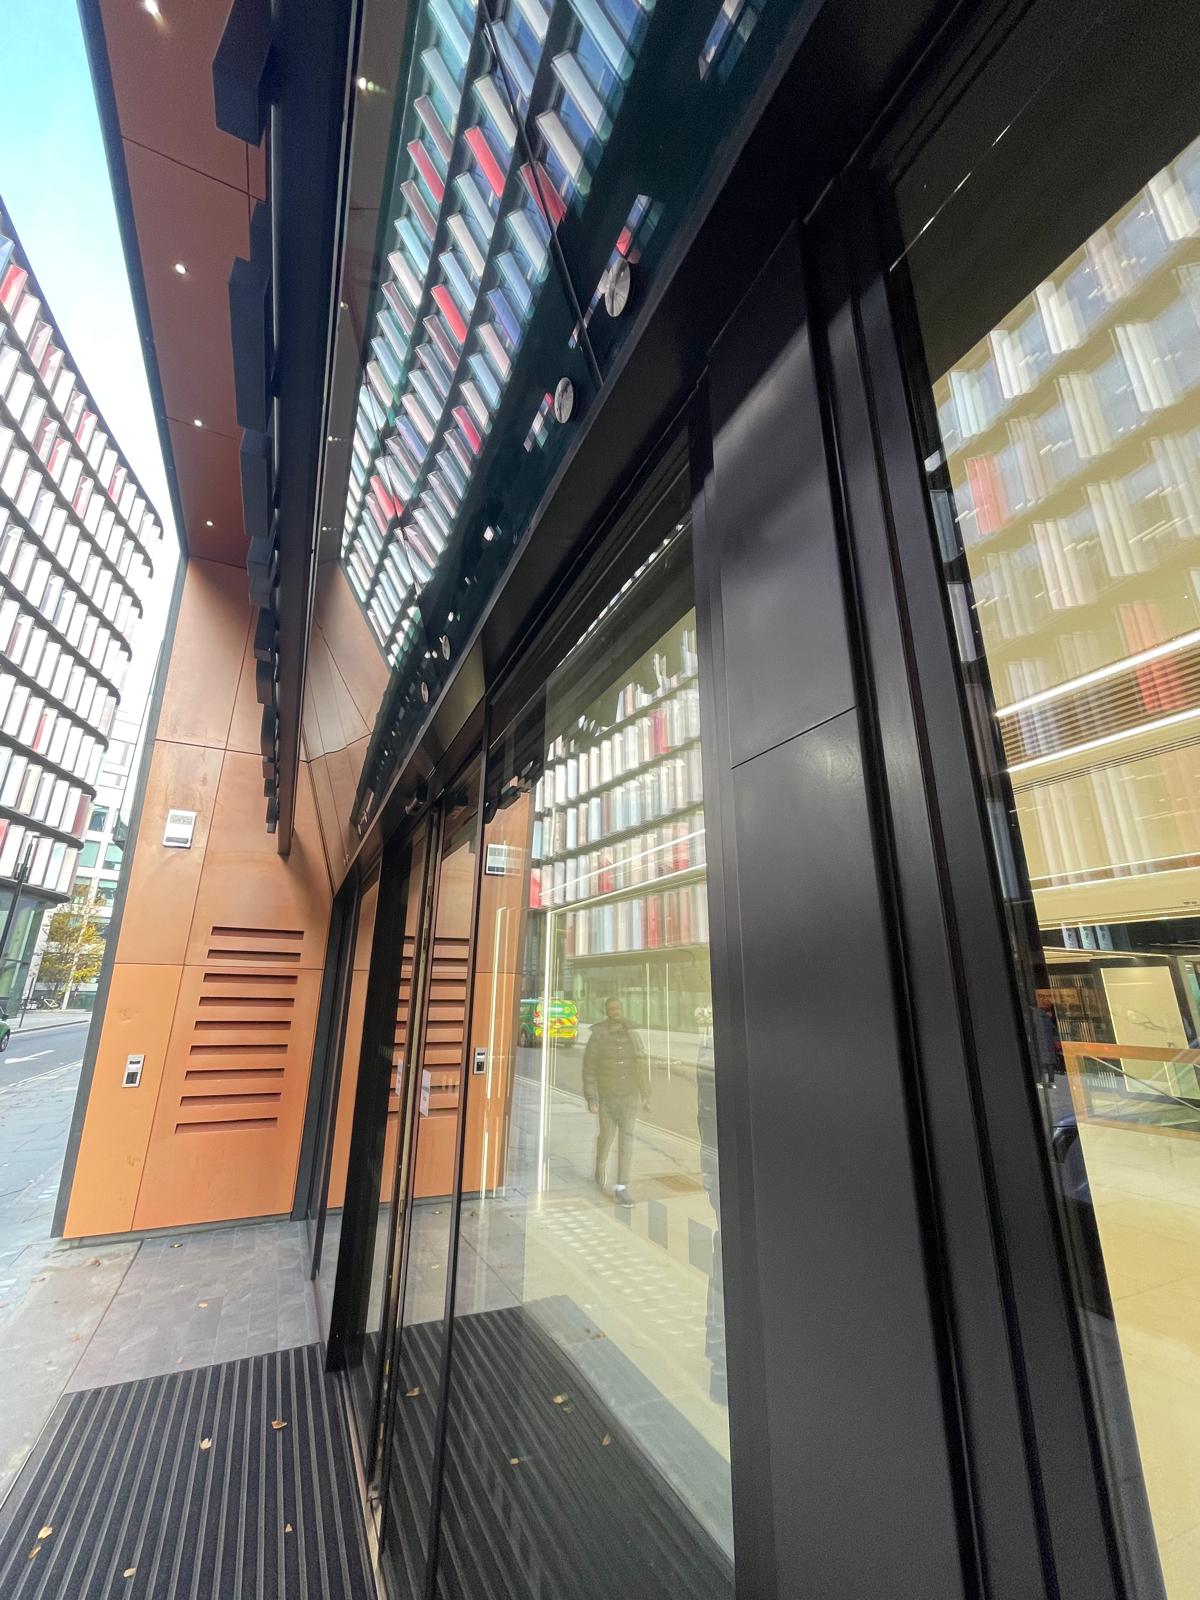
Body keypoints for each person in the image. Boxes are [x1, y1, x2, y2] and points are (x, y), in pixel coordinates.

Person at [583, 996, 649, 1206]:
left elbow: (641, 1066)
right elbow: (589, 1069)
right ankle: (600, 1163)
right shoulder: (598, 1036)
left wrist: (646, 1095)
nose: (615, 1011)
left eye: (618, 1007)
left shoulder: (632, 1034)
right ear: (607, 1011)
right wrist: (591, 1097)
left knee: (626, 1141)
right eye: (611, 1008)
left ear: (621, 1009)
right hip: (608, 1098)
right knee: (607, 1137)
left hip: (629, 1097)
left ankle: (622, 1187)